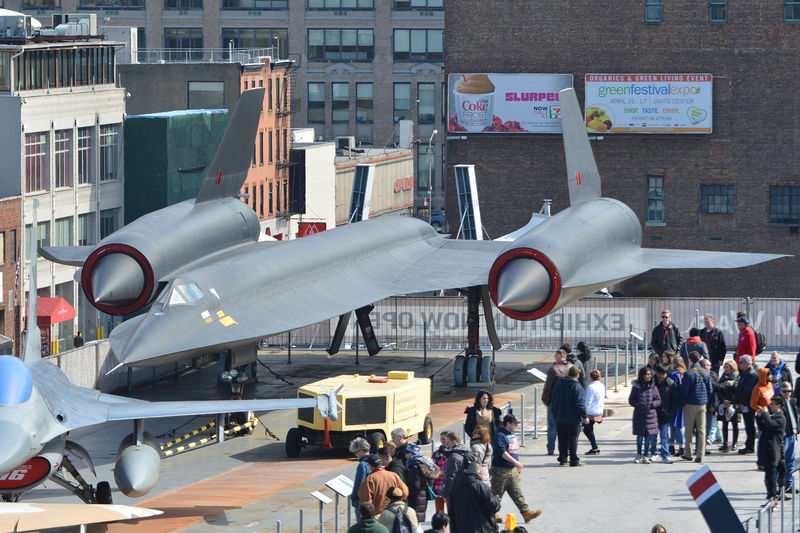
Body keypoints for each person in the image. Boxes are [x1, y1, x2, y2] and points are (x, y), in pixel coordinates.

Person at [490, 414, 542, 523]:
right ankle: (491, 513)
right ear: (508, 423)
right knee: (496, 494)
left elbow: (513, 451)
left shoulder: (512, 434)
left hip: (512, 470)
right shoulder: (500, 435)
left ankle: (526, 513)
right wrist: (516, 463)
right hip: (500, 470)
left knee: (517, 493)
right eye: (514, 424)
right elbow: (503, 453)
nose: (516, 426)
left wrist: (517, 465)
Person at [449, 452, 501, 533]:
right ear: (479, 472)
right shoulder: (481, 486)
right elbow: (494, 506)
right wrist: (497, 499)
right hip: (483, 529)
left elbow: (451, 512)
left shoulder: (455, 487)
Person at [550, 365, 588, 466]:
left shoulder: (559, 384)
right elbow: (580, 403)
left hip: (560, 417)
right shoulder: (576, 386)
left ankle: (563, 458)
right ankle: (574, 460)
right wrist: (585, 416)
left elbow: (553, 399)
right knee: (573, 438)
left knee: (562, 438)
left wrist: (555, 412)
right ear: (577, 375)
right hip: (573, 418)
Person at [679, 353, 713, 463]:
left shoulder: (688, 373)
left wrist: (683, 403)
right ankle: (700, 454)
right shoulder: (706, 373)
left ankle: (688, 453)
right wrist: (706, 400)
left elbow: (685, 390)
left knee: (688, 430)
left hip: (690, 404)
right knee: (701, 430)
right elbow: (710, 390)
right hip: (702, 403)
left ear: (690, 360)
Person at [756, 395, 787, 503]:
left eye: (772, 404)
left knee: (771, 477)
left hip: (773, 452)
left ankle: (773, 498)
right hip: (768, 450)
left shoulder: (780, 418)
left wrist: (764, 414)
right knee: (770, 475)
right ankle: (774, 494)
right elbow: (763, 427)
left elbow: (771, 425)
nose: (770, 406)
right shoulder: (773, 416)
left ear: (778, 405)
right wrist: (759, 416)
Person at [629, 366, 661, 463]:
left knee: (648, 438)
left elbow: (658, 400)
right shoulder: (636, 387)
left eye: (650, 374)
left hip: (651, 415)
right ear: (642, 375)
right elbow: (631, 399)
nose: (649, 376)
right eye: (647, 374)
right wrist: (638, 405)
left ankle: (646, 455)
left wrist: (652, 404)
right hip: (639, 415)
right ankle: (639, 454)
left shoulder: (653, 387)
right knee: (639, 437)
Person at [542, 349, 571, 455]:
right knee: (566, 426)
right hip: (567, 403)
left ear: (559, 356)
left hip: (554, 401)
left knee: (552, 426)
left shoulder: (554, 369)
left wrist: (545, 399)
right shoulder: (571, 367)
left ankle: (551, 448)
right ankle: (567, 448)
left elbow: (548, 386)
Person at [402, 442, 440, 523]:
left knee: (414, 523)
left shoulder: (414, 466)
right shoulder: (424, 463)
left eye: (407, 453)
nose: (405, 455)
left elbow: (415, 485)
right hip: (422, 496)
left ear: (412, 453)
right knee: (417, 522)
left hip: (416, 498)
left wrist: (408, 493)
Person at [736, 355, 759, 454]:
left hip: (748, 404)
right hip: (745, 404)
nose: (739, 364)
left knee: (750, 425)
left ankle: (750, 446)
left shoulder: (752, 375)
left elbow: (748, 391)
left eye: (741, 362)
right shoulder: (745, 373)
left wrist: (743, 403)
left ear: (747, 363)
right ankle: (749, 444)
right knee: (748, 425)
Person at [653, 365, 675, 463]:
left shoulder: (670, 383)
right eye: (660, 374)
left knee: (664, 436)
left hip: (666, 413)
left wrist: (671, 411)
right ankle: (654, 453)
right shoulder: (651, 383)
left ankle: (665, 455)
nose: (661, 376)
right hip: (653, 413)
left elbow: (674, 398)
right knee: (652, 435)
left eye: (664, 374)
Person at [717, 359, 740, 453]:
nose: (725, 369)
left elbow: (738, 391)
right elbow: (719, 389)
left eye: (727, 367)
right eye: (725, 367)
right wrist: (723, 400)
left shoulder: (736, 377)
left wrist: (731, 401)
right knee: (724, 424)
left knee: (734, 424)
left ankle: (734, 442)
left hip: (733, 404)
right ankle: (725, 442)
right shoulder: (722, 377)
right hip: (724, 403)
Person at [779, 382, 798, 497]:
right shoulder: (778, 402)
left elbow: (796, 416)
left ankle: (788, 486)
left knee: (790, 462)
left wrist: (797, 429)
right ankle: (779, 489)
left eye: (789, 391)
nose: (787, 394)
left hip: (793, 435)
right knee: (781, 463)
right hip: (784, 437)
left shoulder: (793, 401)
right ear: (780, 391)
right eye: (784, 391)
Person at [442, 432, 469, 502]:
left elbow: (450, 476)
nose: (446, 445)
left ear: (454, 442)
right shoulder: (469, 452)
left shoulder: (454, 456)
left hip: (457, 490)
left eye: (448, 442)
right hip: (469, 488)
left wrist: (446, 494)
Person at [583, 369, 605, 455]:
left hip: (591, 411)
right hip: (599, 410)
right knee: (589, 428)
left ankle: (595, 447)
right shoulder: (602, 386)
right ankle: (594, 447)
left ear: (591, 378)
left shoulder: (590, 387)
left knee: (587, 429)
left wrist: (584, 413)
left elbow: (588, 401)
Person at [669, 358, 687, 457]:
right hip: (681, 402)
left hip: (674, 402)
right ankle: (676, 445)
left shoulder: (673, 374)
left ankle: (679, 446)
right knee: (676, 424)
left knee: (676, 424)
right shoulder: (684, 374)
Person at [350, 437, 372, 516]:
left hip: (362, 502)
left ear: (361, 451)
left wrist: (354, 499)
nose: (356, 455)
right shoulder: (374, 460)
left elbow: (359, 484)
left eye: (356, 453)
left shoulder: (362, 465)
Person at [431, 432, 451, 513]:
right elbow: (431, 467)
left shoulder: (454, 453)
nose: (442, 441)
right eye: (441, 439)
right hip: (438, 486)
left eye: (444, 439)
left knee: (451, 514)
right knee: (439, 513)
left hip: (449, 487)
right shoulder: (436, 454)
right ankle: (440, 526)